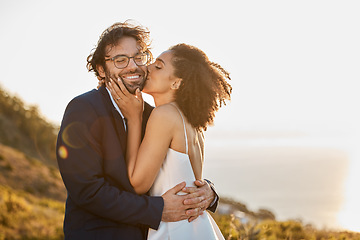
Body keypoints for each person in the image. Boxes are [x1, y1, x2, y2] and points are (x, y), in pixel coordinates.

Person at [56, 21, 218, 240]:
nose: (133, 66)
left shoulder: (155, 115)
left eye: (139, 57)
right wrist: (157, 209)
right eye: (120, 60)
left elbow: (179, 168)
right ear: (102, 70)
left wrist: (208, 192)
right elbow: (88, 191)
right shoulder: (84, 109)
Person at [106, 43, 232, 239]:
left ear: (176, 83)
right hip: (197, 227)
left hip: (175, 229)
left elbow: (137, 184)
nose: (147, 68)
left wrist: (133, 119)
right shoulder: (192, 123)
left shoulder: (164, 115)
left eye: (158, 66)